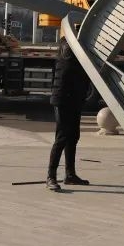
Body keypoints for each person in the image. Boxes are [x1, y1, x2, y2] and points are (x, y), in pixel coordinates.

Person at [46, 41, 91, 192]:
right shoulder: (69, 50)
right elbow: (77, 68)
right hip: (63, 99)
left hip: (74, 99)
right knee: (62, 138)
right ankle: (51, 177)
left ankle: (70, 175)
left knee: (73, 136)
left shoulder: (73, 49)